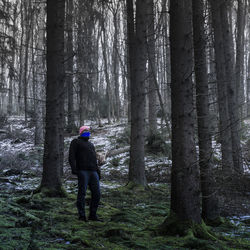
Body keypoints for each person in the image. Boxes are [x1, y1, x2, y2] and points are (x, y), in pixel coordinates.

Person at [69, 125, 101, 221]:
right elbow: (71, 157)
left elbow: (94, 160)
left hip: (93, 172)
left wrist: (98, 172)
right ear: (81, 132)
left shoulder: (91, 144)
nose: (88, 132)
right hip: (83, 171)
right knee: (82, 193)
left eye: (88, 131)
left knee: (97, 193)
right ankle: (82, 216)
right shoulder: (75, 142)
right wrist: (75, 170)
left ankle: (93, 215)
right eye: (85, 131)